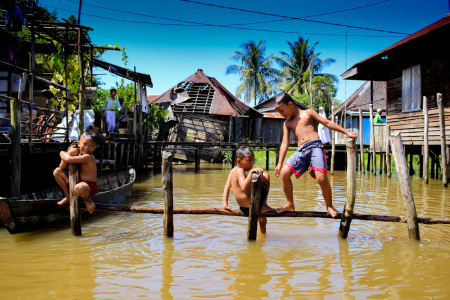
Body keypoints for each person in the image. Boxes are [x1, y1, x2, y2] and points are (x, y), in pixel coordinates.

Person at [274, 93, 357, 217]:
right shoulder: (287, 123)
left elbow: (327, 123)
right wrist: (280, 163)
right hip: (301, 150)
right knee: (285, 173)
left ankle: (329, 205)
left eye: (281, 110)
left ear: (290, 104)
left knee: (321, 178)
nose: (281, 114)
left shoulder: (308, 113)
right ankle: (290, 204)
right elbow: (284, 143)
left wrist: (346, 132)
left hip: (315, 147)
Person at [223, 147, 275, 233]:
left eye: (253, 161)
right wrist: (251, 173)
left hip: (244, 207)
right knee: (266, 175)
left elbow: (226, 186)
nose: (252, 164)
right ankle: (264, 205)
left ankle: (260, 242)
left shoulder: (233, 170)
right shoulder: (240, 170)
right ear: (239, 161)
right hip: (253, 206)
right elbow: (243, 187)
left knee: (263, 220)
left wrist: (225, 204)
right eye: (249, 160)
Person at [53, 131, 99, 213]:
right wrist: (69, 153)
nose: (87, 147)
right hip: (75, 183)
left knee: (79, 187)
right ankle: (69, 195)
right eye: (84, 144)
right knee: (57, 171)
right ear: (78, 143)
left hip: (88, 187)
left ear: (95, 148)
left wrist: (63, 153)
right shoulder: (77, 154)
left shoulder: (89, 157)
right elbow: (61, 167)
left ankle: (87, 200)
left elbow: (68, 159)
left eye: (91, 145)